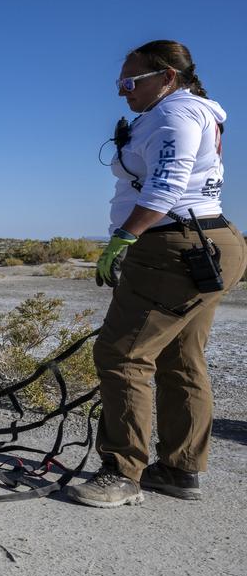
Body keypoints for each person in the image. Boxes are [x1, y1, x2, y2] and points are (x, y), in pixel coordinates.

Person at [67, 40, 246, 509]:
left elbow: (167, 182)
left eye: (130, 82)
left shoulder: (176, 115)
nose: (123, 92)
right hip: (205, 242)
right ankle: (179, 469)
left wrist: (125, 236)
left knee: (122, 353)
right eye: (120, 83)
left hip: (174, 247)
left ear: (166, 77)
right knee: (181, 355)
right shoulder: (193, 112)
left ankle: (121, 473)